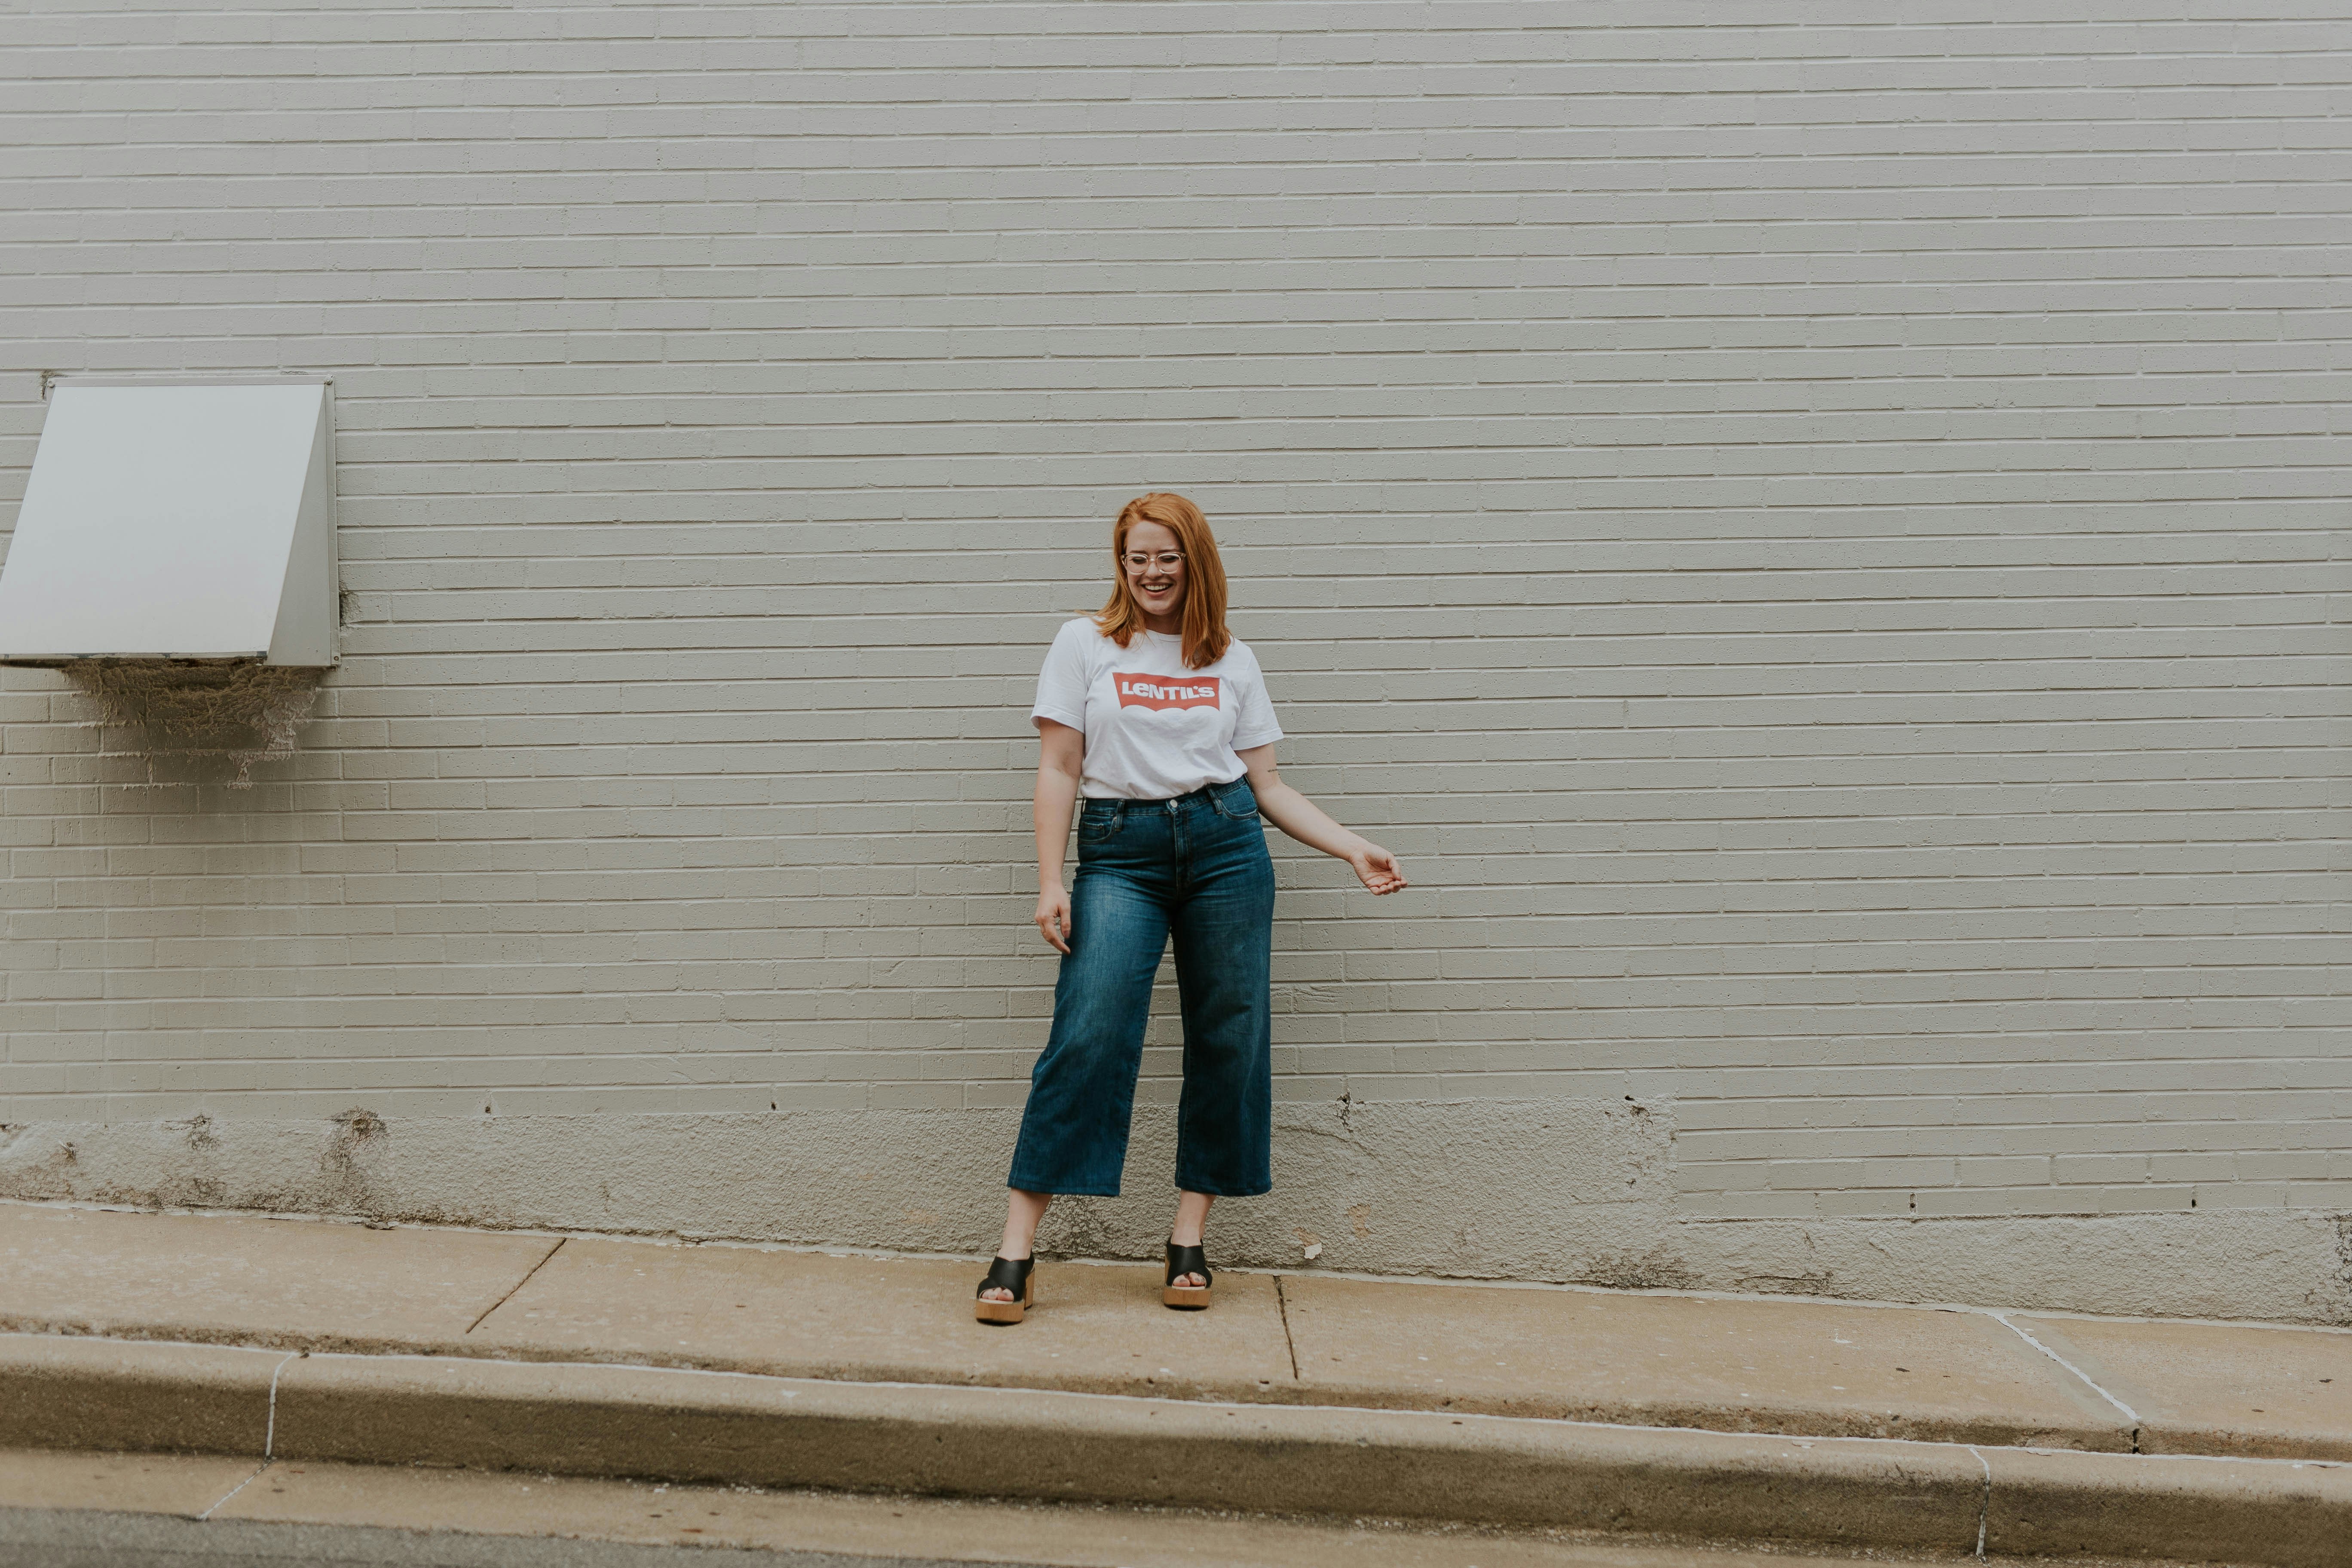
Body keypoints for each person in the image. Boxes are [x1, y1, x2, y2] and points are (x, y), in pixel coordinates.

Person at [976, 493, 1406, 1325]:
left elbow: (1268, 785)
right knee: (1090, 1030)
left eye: (1165, 558)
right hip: (1119, 852)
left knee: (1231, 1031)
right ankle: (1017, 1250)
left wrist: (1350, 845)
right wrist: (1050, 879)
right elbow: (1060, 766)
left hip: (1226, 846)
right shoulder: (1085, 644)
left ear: (1194, 561)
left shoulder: (1231, 660)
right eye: (1136, 559)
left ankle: (1187, 1238)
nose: (1150, 574)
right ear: (1121, 564)